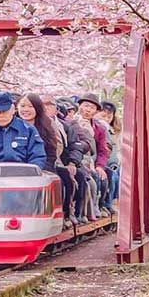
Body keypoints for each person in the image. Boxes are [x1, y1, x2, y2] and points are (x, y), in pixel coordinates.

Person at [0, 91, 46, 170]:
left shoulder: (28, 130)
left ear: (13, 109)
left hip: (24, 176)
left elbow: (37, 157)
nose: (1, 115)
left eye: (4, 111)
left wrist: (31, 173)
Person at [42, 95, 85, 227]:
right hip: (41, 162)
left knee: (73, 176)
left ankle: (71, 212)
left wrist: (72, 162)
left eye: (49, 104)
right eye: (42, 104)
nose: (45, 107)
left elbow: (75, 146)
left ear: (56, 109)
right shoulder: (33, 124)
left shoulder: (65, 126)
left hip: (63, 161)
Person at [75, 93, 112, 218]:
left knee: (103, 176)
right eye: (85, 106)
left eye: (92, 108)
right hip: (76, 159)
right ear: (79, 106)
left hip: (92, 160)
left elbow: (103, 150)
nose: (88, 110)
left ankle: (99, 205)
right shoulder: (71, 122)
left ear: (96, 111)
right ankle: (82, 211)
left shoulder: (99, 128)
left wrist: (100, 165)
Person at [98, 100, 120, 214]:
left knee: (115, 176)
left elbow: (114, 150)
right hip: (100, 161)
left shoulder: (112, 131)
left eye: (109, 117)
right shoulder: (98, 127)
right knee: (109, 177)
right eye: (103, 116)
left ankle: (110, 202)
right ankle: (104, 204)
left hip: (110, 162)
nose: (106, 119)